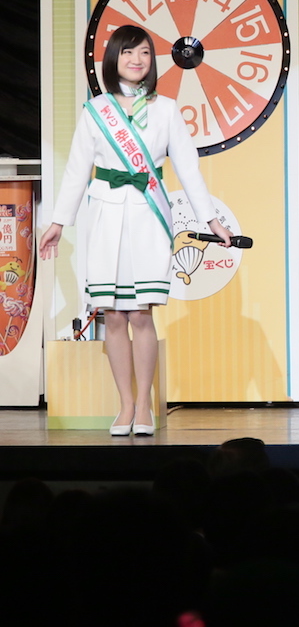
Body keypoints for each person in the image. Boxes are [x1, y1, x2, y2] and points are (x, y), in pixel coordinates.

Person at [39, 25, 232, 437]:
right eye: (127, 53)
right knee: (112, 315)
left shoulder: (167, 109)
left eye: (144, 52)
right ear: (113, 59)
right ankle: (124, 404)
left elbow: (189, 169)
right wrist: (58, 221)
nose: (136, 60)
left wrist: (211, 219)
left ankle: (144, 404)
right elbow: (77, 170)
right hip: (105, 217)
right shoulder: (96, 110)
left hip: (149, 215)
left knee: (141, 313)